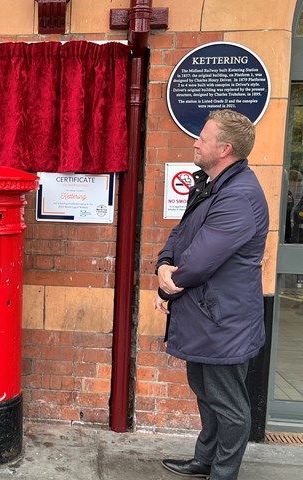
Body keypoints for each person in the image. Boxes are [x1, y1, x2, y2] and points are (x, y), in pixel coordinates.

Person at [153, 110, 268, 480]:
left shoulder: (238, 195)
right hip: (207, 316)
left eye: (203, 137)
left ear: (225, 148)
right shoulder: (210, 184)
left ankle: (223, 473)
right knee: (205, 392)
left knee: (229, 404)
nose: (195, 141)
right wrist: (163, 263)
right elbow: (182, 234)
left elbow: (202, 259)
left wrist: (167, 287)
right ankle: (205, 460)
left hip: (224, 320)